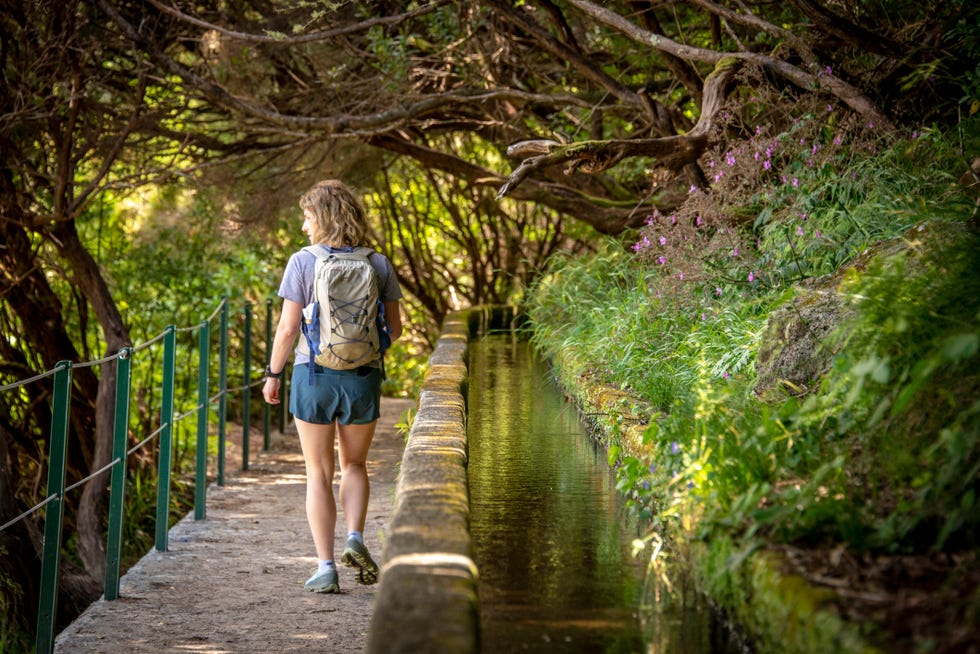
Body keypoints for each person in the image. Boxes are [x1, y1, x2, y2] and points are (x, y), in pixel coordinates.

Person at [262, 179, 403, 594]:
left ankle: (326, 568)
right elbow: (395, 328)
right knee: (355, 465)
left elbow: (288, 329)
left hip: (313, 376)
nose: (304, 227)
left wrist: (273, 374)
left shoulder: (302, 261)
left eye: (307, 217)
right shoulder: (378, 263)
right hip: (361, 378)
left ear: (322, 217)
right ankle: (356, 538)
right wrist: (364, 358)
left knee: (318, 472)